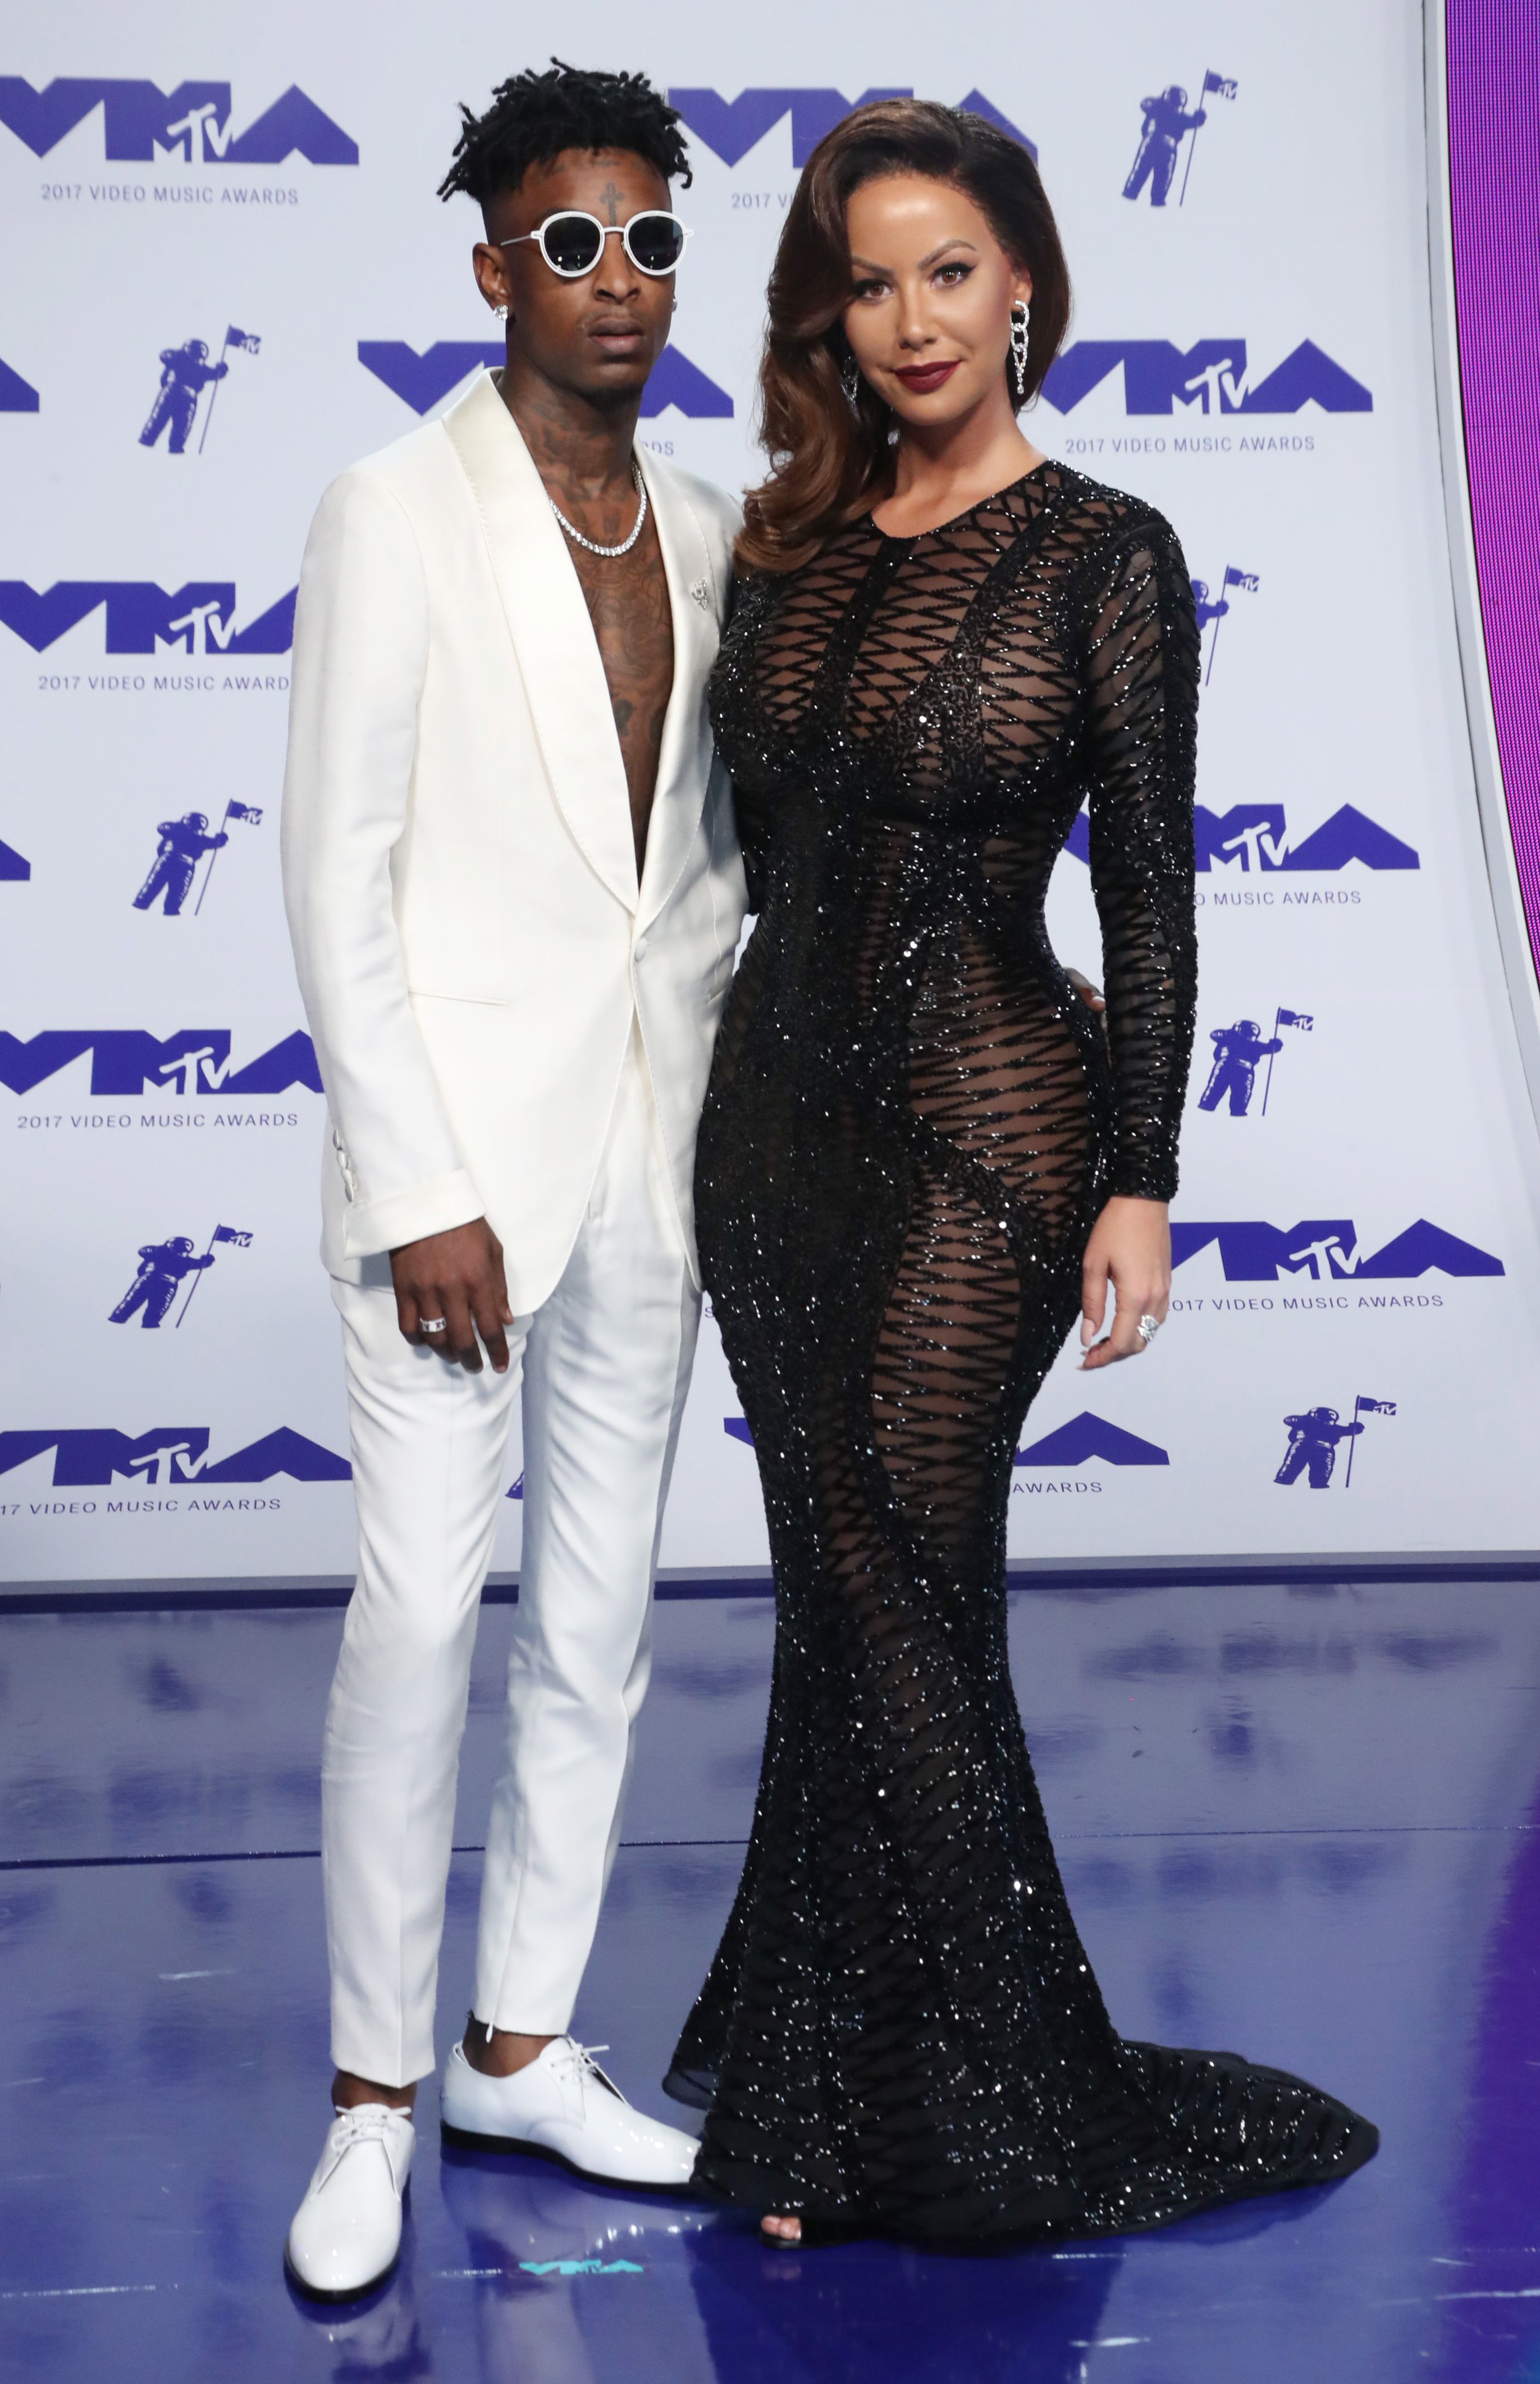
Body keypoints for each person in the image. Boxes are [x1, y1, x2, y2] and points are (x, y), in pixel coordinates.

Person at [664, 99, 1378, 2245]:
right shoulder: (781, 548)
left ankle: (1001, 2100)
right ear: (830, 313)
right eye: (870, 283)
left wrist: (1140, 1173)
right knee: (837, 1588)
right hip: (772, 1130)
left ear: (1026, 289)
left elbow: (1148, 893)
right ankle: (824, 2094)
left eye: (949, 273)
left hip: (991, 1122)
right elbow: (737, 862)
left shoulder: (1103, 554)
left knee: (904, 1565)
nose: (911, 320)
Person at [278, 63, 747, 2300]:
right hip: (451, 1180)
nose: (617, 277)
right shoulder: (393, 508)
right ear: (492, 270)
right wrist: (417, 1182)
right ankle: (371, 2095)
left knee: (596, 1623)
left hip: (655, 1147)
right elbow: (335, 876)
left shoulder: (713, 520)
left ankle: (517, 2042)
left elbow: (696, 873)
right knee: (413, 1623)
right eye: (572, 242)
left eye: (649, 237)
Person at [1122, 87, 1207, 208]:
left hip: (1152, 143)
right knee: (1161, 177)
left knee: (1143, 172)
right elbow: (1194, 122)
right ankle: (1155, 199)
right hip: (1166, 147)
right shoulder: (1177, 115)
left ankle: (1133, 193)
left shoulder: (1156, 108)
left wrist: (1199, 118)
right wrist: (1200, 117)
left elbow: (1144, 104)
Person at [139, 339, 226, 453]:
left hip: (181, 395)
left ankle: (155, 441)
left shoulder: (195, 365)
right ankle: (155, 442)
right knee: (171, 422)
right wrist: (221, 370)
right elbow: (164, 356)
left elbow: (215, 374)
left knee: (175, 423)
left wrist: (221, 370)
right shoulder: (182, 359)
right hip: (177, 393)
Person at [132, 811, 227, 915]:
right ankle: (166, 909)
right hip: (179, 862)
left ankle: (144, 904)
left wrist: (221, 839)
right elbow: (215, 843)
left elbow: (162, 828)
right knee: (175, 891)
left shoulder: (181, 831)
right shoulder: (196, 836)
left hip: (171, 860)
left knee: (157, 886)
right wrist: (221, 839)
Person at [108, 1235, 212, 1327]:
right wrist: (207, 1260)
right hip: (166, 1283)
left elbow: (143, 1251)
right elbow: (200, 1264)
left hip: (150, 1279)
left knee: (133, 1302)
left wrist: (206, 1261)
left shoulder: (158, 1251)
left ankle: (119, 1318)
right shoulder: (185, 1260)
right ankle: (147, 1324)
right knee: (156, 1308)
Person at [1198, 1018, 1283, 1116]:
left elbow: (1215, 1034)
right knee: (1239, 1093)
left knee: (1221, 1089)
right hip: (1239, 1068)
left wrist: (1276, 1045)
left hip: (1230, 1067)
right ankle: (1233, 1109)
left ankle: (1209, 1104)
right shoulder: (1252, 1044)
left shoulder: (1230, 1037)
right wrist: (1275, 1045)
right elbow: (1270, 1048)